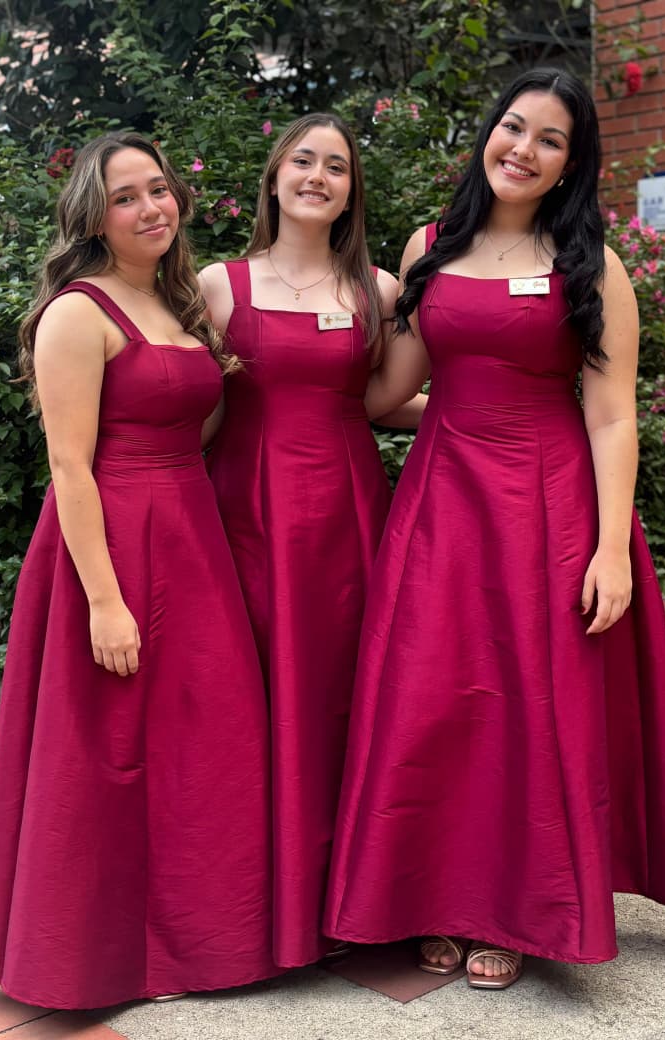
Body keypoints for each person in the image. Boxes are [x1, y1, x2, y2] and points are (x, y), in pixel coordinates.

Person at [323, 68, 665, 990]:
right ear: (488, 132)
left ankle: (517, 912)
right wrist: (301, 355)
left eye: (550, 140)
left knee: (530, 707)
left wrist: (611, 549)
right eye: (513, 127)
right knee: (434, 696)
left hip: (550, 507)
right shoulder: (431, 247)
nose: (523, 150)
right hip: (443, 505)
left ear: (572, 165)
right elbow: (388, 393)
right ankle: (438, 895)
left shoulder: (592, 265)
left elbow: (611, 416)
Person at [0, 132, 279, 1008]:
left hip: (191, 539)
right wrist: (103, 601)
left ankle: (195, 945)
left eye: (159, 190)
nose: (150, 208)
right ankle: (98, 958)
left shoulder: (178, 304)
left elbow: (197, 426)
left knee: (202, 743)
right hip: (107, 543)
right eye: (126, 197)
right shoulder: (78, 312)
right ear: (94, 217)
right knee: (105, 753)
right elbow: (70, 467)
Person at [199, 113, 416, 968]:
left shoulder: (381, 291)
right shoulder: (217, 286)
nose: (318, 176)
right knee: (248, 700)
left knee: (344, 697)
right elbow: (195, 411)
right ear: (274, 176)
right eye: (303, 160)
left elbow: (391, 402)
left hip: (349, 520)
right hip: (245, 519)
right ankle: (258, 906)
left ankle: (350, 901)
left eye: (337, 166)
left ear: (352, 191)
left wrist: (514, 416)